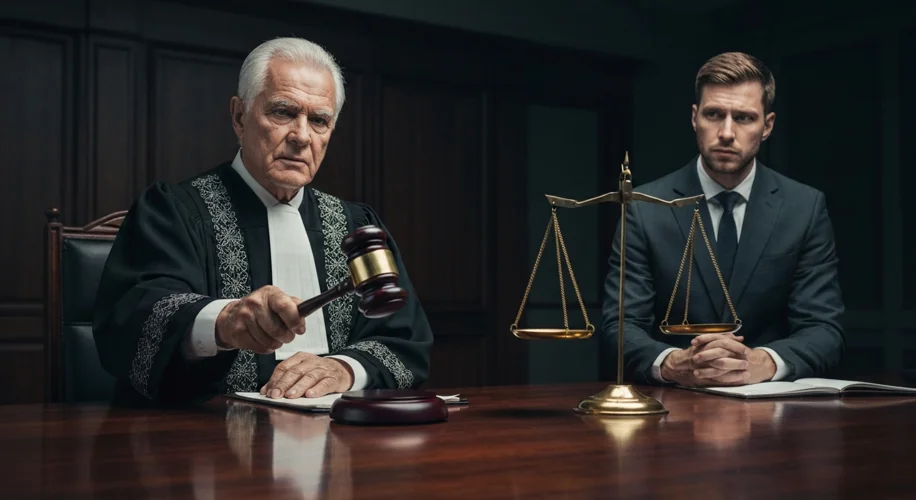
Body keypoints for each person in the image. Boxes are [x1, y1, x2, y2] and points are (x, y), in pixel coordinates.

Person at [93, 37, 433, 405]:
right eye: (283, 112)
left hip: (338, 444)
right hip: (202, 444)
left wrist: (345, 368)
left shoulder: (355, 225)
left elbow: (406, 343)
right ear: (240, 116)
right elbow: (129, 324)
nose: (301, 136)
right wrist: (223, 322)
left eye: (319, 120)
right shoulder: (173, 211)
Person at [603, 52, 844, 387]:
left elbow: (824, 328)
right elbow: (620, 326)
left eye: (744, 118)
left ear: (767, 126)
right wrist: (674, 362)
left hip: (771, 411)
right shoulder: (645, 208)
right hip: (673, 408)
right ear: (694, 118)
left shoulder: (804, 207)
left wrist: (764, 362)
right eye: (714, 114)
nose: (727, 132)